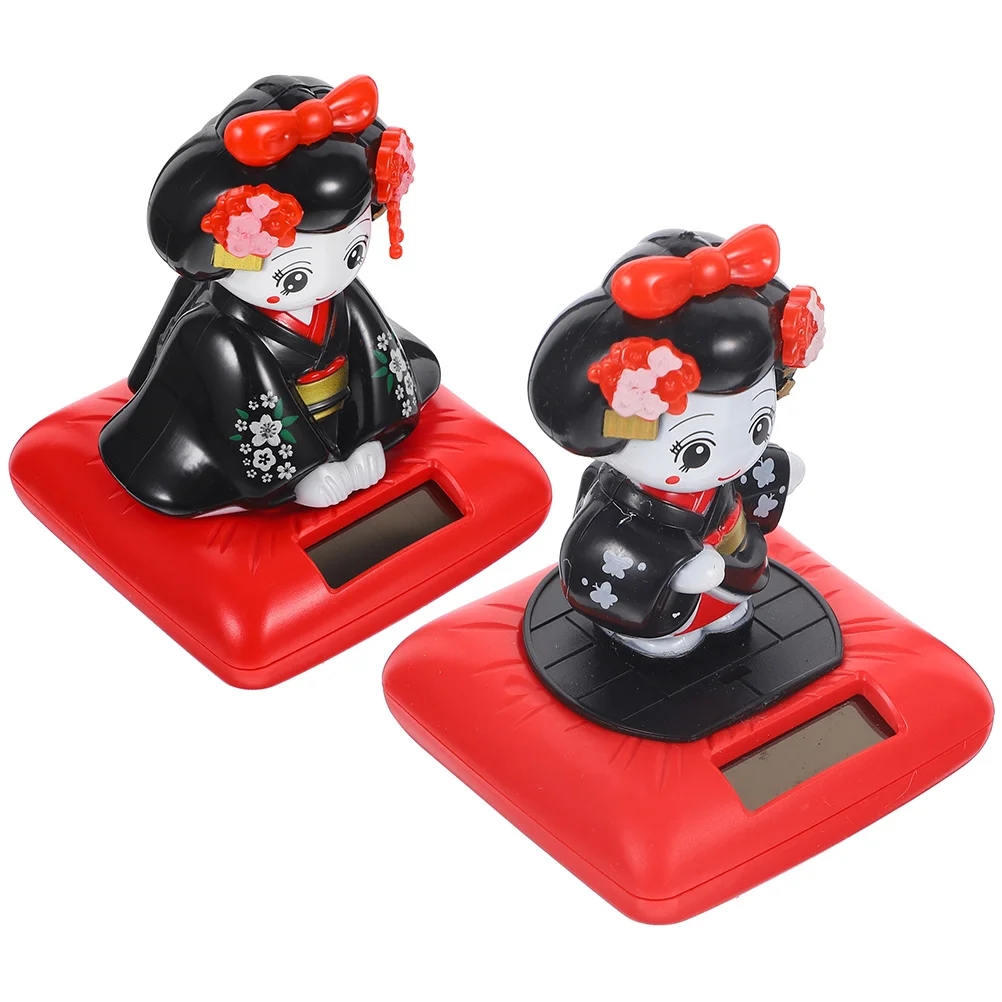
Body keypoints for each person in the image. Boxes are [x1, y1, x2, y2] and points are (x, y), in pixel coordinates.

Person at [100, 74, 439, 517]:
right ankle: (297, 472)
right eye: (294, 277)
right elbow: (246, 406)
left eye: (353, 252)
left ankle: (352, 440)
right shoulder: (215, 333)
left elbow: (375, 363)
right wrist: (305, 474)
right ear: (233, 255)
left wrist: (369, 437)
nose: (328, 279)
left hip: (339, 418)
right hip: (236, 443)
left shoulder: (342, 296)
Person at [528, 225, 825, 657]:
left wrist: (776, 469)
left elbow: (744, 474)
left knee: (727, 600)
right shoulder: (621, 499)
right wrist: (679, 566)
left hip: (726, 541)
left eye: (758, 426)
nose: (732, 459)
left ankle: (721, 610)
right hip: (657, 575)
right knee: (666, 597)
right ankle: (639, 633)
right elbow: (600, 546)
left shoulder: (727, 473)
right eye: (696, 451)